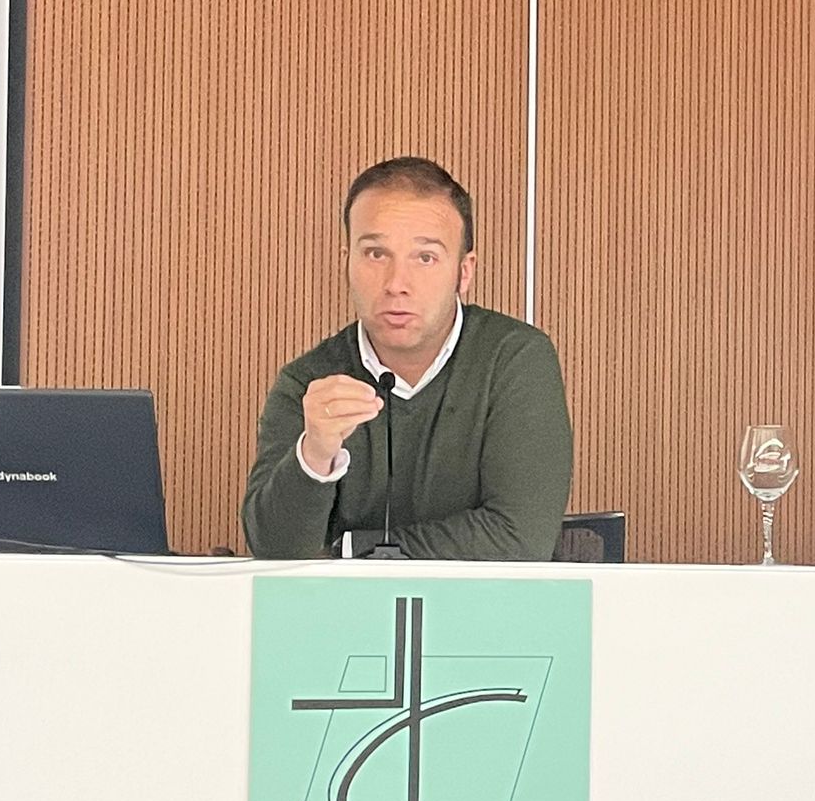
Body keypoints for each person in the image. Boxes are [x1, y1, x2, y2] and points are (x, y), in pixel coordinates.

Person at [242, 156, 572, 560]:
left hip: (478, 603)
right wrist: (314, 455)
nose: (397, 283)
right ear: (346, 262)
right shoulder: (311, 382)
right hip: (345, 604)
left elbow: (518, 539)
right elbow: (274, 552)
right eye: (375, 254)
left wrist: (350, 550)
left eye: (425, 257)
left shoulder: (514, 360)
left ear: (464, 272)